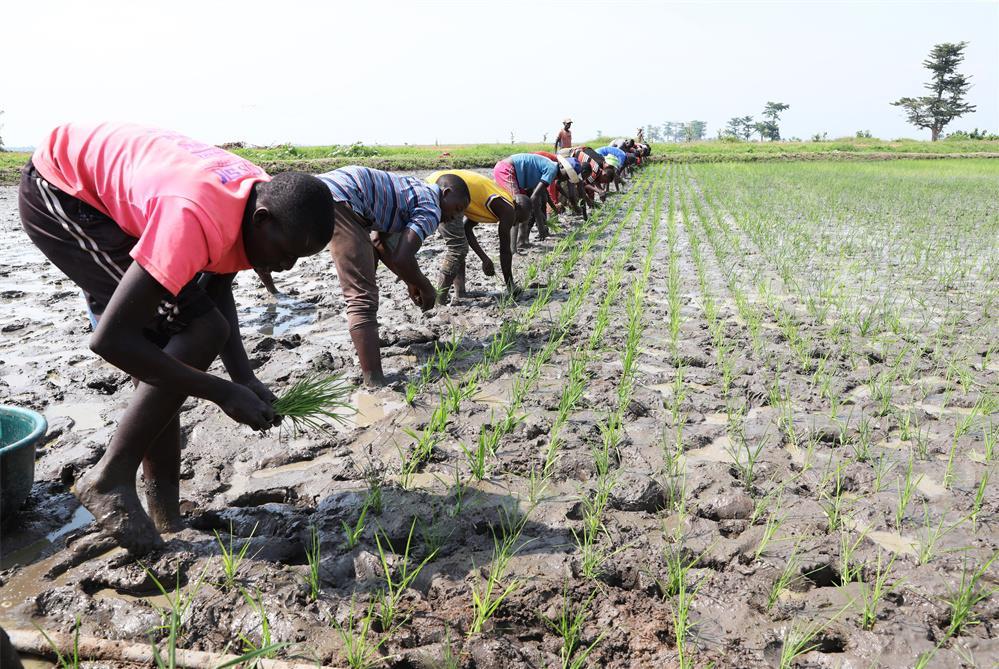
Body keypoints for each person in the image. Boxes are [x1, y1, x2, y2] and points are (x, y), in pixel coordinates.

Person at [19, 122, 337, 554]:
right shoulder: (195, 215)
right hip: (62, 192)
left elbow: (216, 282)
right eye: (286, 253)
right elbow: (111, 340)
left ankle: (166, 514)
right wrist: (222, 392)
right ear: (262, 221)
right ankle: (110, 477)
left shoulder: (254, 202)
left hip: (128, 191)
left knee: (183, 334)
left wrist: (243, 376)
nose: (285, 267)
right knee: (186, 332)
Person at [317, 166, 469, 387]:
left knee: (368, 264)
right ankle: (375, 382)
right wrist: (426, 287)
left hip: (327, 188)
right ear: (445, 193)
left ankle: (368, 349)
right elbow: (402, 258)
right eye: (457, 208)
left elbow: (380, 242)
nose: (455, 216)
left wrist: (410, 280)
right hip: (343, 198)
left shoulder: (415, 190)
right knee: (362, 297)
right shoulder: (431, 208)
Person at [426, 170, 532, 301]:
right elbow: (505, 250)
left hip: (446, 187)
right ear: (518, 209)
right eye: (518, 220)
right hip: (447, 191)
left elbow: (466, 229)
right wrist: (510, 286)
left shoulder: (493, 204)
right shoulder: (507, 209)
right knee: (457, 248)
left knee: (460, 245)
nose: (514, 224)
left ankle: (460, 292)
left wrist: (484, 259)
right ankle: (439, 299)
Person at [493, 153, 564, 250]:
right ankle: (512, 249)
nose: (565, 179)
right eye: (567, 176)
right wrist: (540, 226)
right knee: (517, 208)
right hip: (507, 170)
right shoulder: (553, 169)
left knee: (526, 207)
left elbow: (544, 194)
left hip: (518, 178)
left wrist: (552, 210)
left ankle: (522, 241)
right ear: (563, 168)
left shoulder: (550, 167)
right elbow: (534, 198)